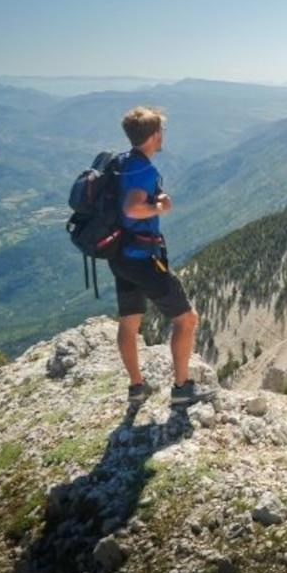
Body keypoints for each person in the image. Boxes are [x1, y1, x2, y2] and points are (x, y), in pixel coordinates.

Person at [109, 106, 212, 406]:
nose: (163, 136)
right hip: (143, 258)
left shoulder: (123, 162)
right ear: (155, 135)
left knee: (129, 320)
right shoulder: (144, 169)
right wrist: (159, 207)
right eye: (161, 131)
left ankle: (137, 387)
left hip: (121, 255)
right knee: (186, 319)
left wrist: (155, 199)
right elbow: (131, 207)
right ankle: (182, 388)